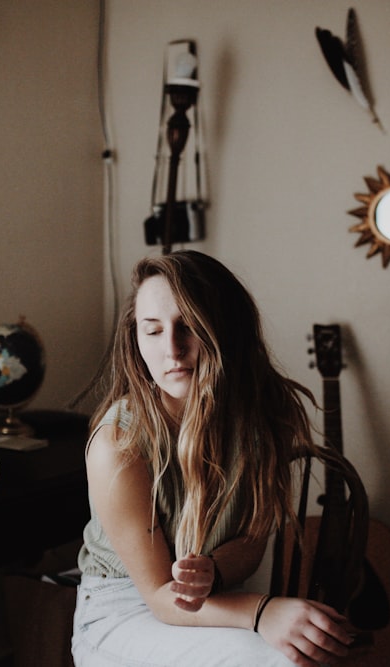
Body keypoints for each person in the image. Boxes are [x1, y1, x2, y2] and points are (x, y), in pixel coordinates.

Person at [71, 251, 357, 666]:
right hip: (123, 610)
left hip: (219, 598)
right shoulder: (118, 440)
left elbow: (250, 543)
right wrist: (264, 611)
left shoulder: (262, 419)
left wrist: (214, 570)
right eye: (152, 331)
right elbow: (159, 597)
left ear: (225, 327)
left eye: (188, 326)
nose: (172, 348)